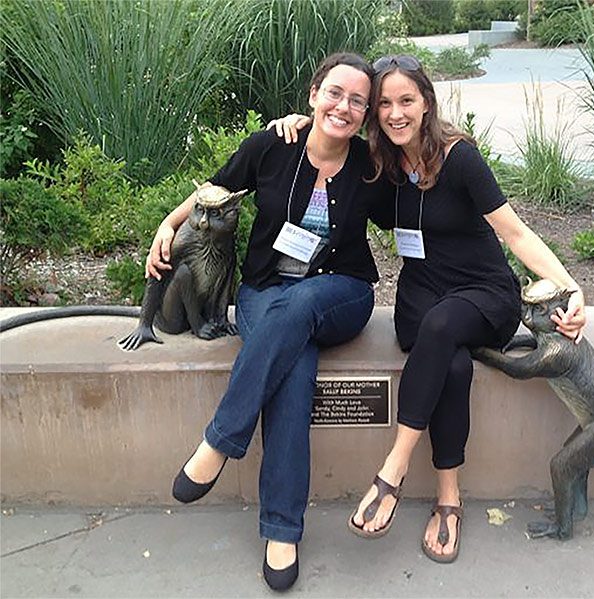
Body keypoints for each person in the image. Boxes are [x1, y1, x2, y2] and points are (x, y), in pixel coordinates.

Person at [271, 54, 586, 564]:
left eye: (407, 101)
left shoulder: (459, 158)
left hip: (482, 293)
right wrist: (301, 122)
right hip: (422, 296)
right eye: (385, 104)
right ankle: (448, 497)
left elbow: (515, 232)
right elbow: (325, 147)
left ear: (426, 103)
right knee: (451, 363)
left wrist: (571, 288)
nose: (395, 113)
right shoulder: (379, 166)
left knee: (443, 329)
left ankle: (392, 470)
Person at [147, 52, 379, 591]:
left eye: (357, 101)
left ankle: (220, 441)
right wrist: (169, 222)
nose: (344, 107)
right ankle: (282, 530)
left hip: (341, 293)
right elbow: (214, 187)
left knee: (300, 307)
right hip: (263, 291)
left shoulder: (370, 165)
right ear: (313, 95)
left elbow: (422, 179)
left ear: (365, 115)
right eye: (335, 93)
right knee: (293, 376)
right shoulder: (273, 147)